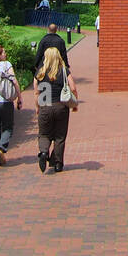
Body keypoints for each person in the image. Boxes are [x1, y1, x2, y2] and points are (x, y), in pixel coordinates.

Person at [34, 44, 78, 173]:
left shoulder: (40, 72)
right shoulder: (64, 70)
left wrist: (37, 107)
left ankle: (43, 152)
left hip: (45, 106)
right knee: (60, 136)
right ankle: (58, 163)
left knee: (44, 134)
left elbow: (36, 92)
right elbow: (73, 87)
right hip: (61, 106)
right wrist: (74, 104)